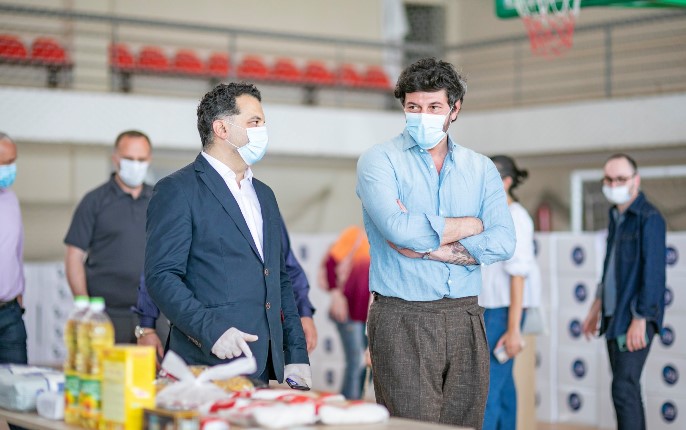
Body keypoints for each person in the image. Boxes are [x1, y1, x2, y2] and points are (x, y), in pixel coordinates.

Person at [356, 58, 516, 429]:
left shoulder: (481, 168)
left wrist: (430, 248)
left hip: (466, 315)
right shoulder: (379, 160)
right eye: (413, 107)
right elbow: (399, 230)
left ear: (454, 109)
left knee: (465, 424)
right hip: (402, 316)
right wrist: (472, 226)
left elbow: (504, 241)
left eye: (434, 107)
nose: (422, 116)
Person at [145, 82, 310, 386]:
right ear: (221, 128)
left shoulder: (264, 195)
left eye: (263, 123)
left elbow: (279, 277)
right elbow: (161, 277)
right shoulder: (178, 190)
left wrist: (295, 351)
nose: (262, 131)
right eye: (254, 122)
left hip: (259, 364)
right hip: (205, 362)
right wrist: (211, 330)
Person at [134, 213, 318, 360]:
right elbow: (161, 271)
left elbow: (285, 265)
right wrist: (147, 326)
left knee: (246, 393)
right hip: (200, 338)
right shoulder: (189, 198)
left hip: (255, 340)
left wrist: (303, 312)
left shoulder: (262, 202)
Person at [582, 153, 666, 430]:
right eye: (608, 179)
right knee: (624, 390)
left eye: (620, 179)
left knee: (623, 387)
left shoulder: (649, 217)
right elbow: (610, 267)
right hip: (613, 315)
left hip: (634, 315)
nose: (613, 184)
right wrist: (595, 308)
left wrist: (641, 318)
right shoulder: (615, 215)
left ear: (635, 180)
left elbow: (654, 273)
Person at [64, 130, 153, 344]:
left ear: (149, 160)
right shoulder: (94, 201)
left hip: (152, 315)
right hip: (105, 314)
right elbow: (74, 256)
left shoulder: (160, 199)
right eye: (129, 158)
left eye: (141, 159)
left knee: (156, 366)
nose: (136, 165)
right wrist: (84, 307)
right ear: (115, 159)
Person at [479, 155, 541, 430]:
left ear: (506, 182)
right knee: (502, 389)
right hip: (489, 310)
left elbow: (519, 275)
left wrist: (513, 329)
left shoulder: (516, 218)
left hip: (503, 312)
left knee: (487, 388)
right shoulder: (489, 215)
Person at [319, 225, 371, 400]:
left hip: (371, 315)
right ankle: (350, 405)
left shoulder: (389, 241)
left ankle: (355, 400)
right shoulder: (356, 234)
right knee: (356, 360)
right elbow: (330, 262)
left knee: (369, 362)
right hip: (349, 311)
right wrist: (336, 295)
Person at [0, 132, 27, 365]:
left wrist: (20, 291)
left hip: (10, 312)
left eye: (13, 162)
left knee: (20, 381)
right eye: (5, 163)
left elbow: (16, 249)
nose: (10, 169)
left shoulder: (10, 200)